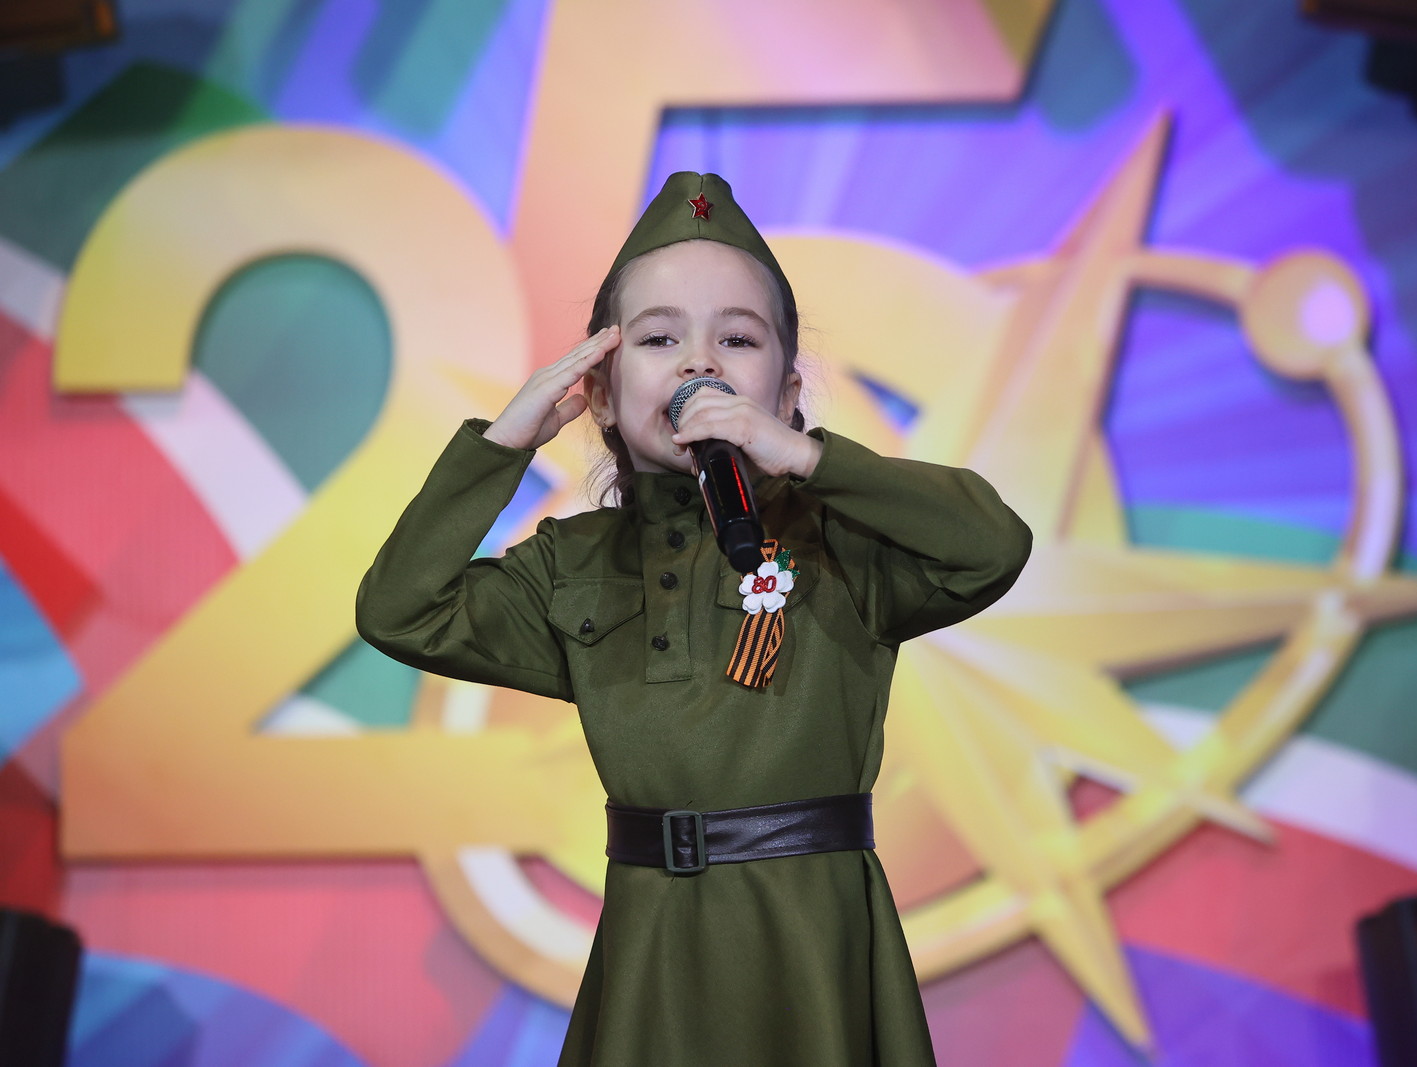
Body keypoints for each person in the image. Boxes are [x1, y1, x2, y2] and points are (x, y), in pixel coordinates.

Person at [356, 172, 1032, 1066]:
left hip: (810, 943)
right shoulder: (572, 562)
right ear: (601, 392)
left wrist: (807, 458)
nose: (698, 365)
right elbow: (402, 610)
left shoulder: (842, 540)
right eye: (659, 337)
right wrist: (501, 445)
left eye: (737, 339)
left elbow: (991, 547)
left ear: (785, 392)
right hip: (654, 948)